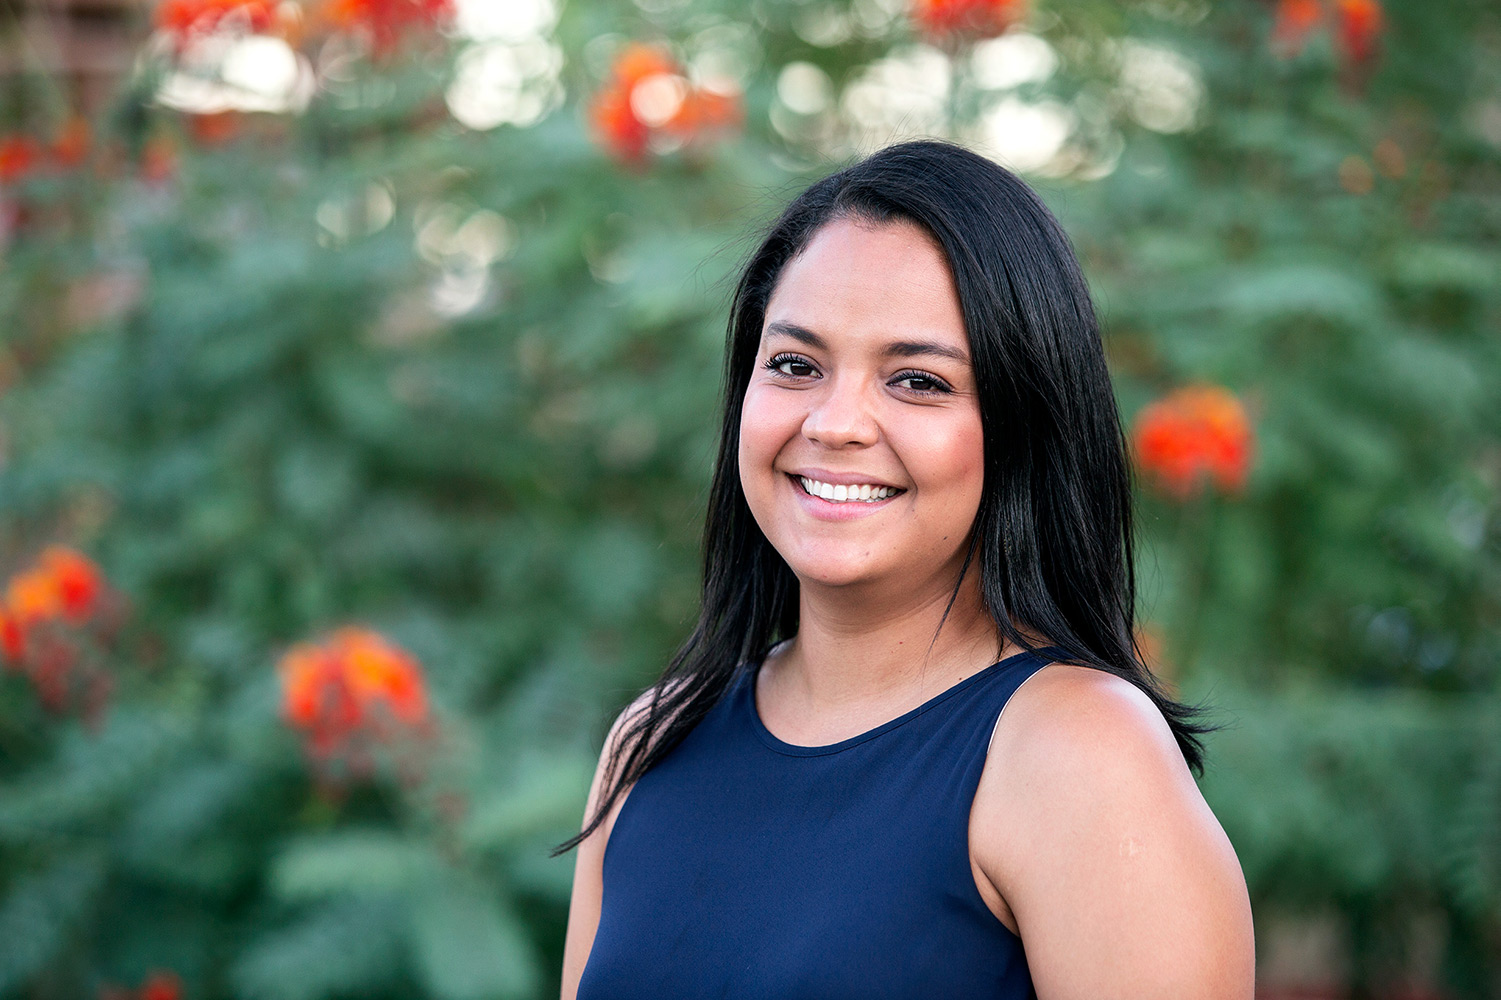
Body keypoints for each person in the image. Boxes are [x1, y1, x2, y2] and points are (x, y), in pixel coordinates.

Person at [558, 139, 1255, 999]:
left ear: (1022, 425)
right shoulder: (652, 743)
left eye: (918, 381)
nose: (835, 423)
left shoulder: (1081, 756)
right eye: (795, 365)